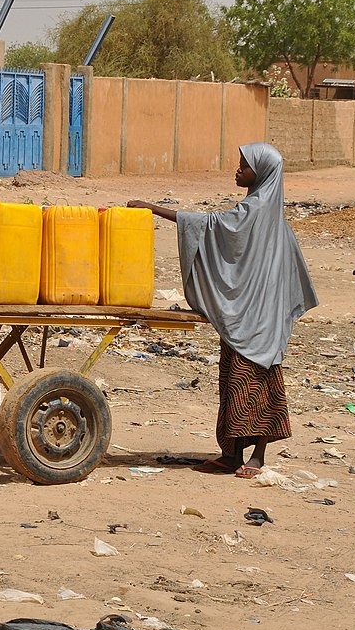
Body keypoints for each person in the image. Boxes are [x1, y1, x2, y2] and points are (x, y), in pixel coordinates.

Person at [128, 142, 318, 478]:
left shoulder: (256, 212)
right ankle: (232, 454)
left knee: (258, 385)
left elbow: (210, 225)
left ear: (262, 172)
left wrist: (154, 209)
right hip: (246, 315)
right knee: (234, 383)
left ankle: (257, 457)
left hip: (259, 321)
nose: (238, 170)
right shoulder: (264, 214)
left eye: (244, 166)